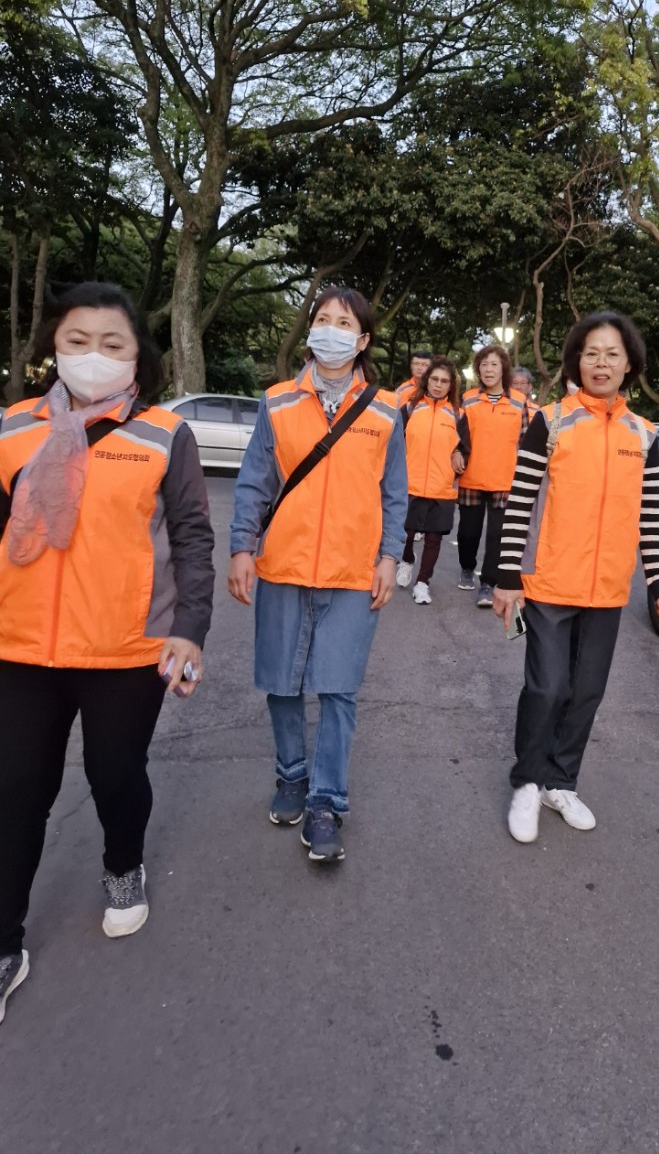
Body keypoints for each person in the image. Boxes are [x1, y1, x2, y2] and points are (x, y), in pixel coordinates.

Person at [0, 281, 215, 1026]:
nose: (94, 356)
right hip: (19, 649)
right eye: (78, 341)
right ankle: (5, 941)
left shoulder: (163, 436)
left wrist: (189, 629)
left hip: (126, 649)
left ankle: (124, 864)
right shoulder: (11, 430)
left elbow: (191, 536)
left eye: (113, 344)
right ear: (53, 348)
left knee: (114, 774)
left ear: (139, 358)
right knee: (16, 791)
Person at [228, 286, 407, 865]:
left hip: (353, 573)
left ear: (361, 341)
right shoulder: (277, 401)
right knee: (281, 681)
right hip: (283, 565)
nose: (330, 329)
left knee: (338, 688)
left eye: (343, 322)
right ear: (310, 330)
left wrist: (389, 556)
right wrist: (240, 548)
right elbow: (256, 481)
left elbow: (394, 494)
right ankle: (291, 776)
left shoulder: (384, 410)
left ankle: (327, 800)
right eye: (322, 319)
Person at [493, 312, 659, 844]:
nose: (601, 363)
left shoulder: (642, 435)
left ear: (629, 365)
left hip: (607, 591)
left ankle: (561, 781)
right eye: (591, 353)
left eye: (613, 354)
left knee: (586, 692)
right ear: (577, 360)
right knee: (547, 687)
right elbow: (520, 500)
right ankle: (527, 782)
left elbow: (652, 515)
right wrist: (508, 575)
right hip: (551, 582)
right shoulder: (550, 421)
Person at [454, 344, 528, 608]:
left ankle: (487, 583)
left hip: (505, 480)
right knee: (467, 534)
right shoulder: (468, 399)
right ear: (478, 369)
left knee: (497, 536)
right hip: (472, 477)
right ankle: (467, 567)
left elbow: (525, 442)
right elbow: (457, 435)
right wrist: (456, 453)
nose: (488, 369)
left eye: (494, 364)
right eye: (484, 365)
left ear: (503, 369)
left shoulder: (519, 402)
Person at [397, 357, 461, 605]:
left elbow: (465, 446)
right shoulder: (411, 408)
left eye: (444, 381)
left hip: (441, 488)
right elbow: (394, 442)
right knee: (407, 533)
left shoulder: (457, 414)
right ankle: (407, 560)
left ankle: (423, 583)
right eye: (434, 379)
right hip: (410, 483)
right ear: (427, 380)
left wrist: (459, 453)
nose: (438, 384)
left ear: (450, 385)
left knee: (434, 539)